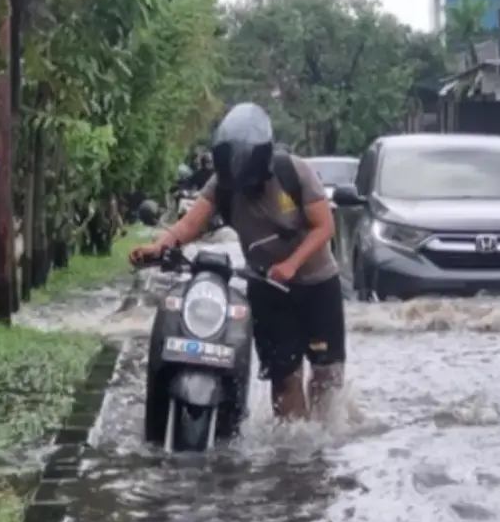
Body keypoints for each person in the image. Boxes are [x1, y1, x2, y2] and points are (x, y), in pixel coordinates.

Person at [130, 103, 345, 421]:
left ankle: (324, 439)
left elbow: (324, 226)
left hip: (316, 285)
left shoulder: (294, 172)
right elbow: (190, 225)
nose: (245, 189)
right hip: (266, 286)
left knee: (326, 375)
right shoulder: (221, 186)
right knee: (284, 376)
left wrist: (292, 264)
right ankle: (295, 450)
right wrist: (158, 247)